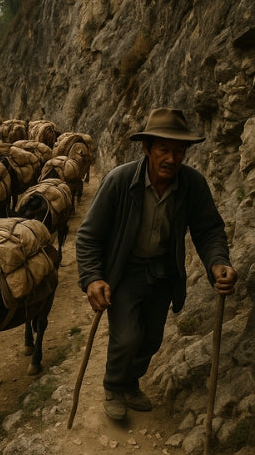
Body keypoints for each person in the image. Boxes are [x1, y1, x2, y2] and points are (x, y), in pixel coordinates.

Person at [75, 107, 237, 421]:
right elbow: (88, 235)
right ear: (147, 148)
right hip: (126, 272)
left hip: (164, 272)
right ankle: (113, 385)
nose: (172, 159)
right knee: (127, 337)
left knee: (152, 338)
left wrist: (218, 262)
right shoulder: (120, 181)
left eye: (179, 151)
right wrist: (93, 277)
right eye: (164, 149)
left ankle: (131, 382)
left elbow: (209, 229)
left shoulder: (191, 185)